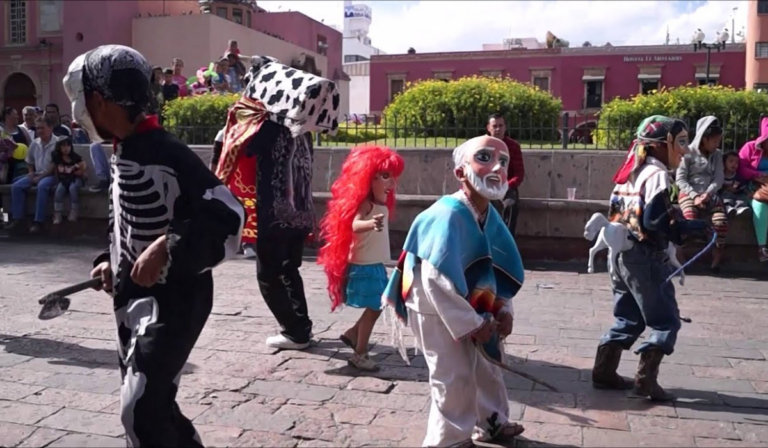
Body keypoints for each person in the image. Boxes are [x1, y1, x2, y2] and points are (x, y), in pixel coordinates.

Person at [64, 44, 244, 446]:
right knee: (151, 403)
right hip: (130, 299)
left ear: (97, 99)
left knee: (139, 408)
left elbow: (229, 215)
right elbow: (122, 216)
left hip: (177, 301)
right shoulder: (124, 149)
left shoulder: (168, 151)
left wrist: (168, 245)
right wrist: (109, 260)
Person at [382, 135, 526, 447]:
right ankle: (448, 440)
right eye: (485, 158)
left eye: (503, 162)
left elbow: (496, 271)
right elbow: (436, 279)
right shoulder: (447, 215)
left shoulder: (490, 215)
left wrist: (502, 310)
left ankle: (492, 422)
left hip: (470, 304)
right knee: (453, 375)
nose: (496, 168)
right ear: (461, 172)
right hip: (433, 306)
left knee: (489, 364)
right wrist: (472, 324)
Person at [216, 55, 341, 351]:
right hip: (299, 214)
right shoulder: (299, 129)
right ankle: (300, 326)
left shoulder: (263, 128)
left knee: (270, 274)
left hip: (271, 215)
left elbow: (231, 149)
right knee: (289, 270)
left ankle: (295, 331)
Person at [592, 116, 710, 402]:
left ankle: (604, 372)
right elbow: (654, 220)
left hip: (620, 256)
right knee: (665, 320)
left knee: (628, 317)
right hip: (645, 256)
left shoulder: (631, 172)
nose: (683, 150)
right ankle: (645, 381)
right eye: (680, 142)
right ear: (661, 145)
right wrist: (687, 227)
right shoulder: (656, 174)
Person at [318, 145, 404, 372]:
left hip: (374, 264)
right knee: (376, 307)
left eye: (392, 178)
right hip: (364, 266)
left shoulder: (380, 205)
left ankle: (353, 334)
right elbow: (354, 224)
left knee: (379, 305)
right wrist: (370, 223)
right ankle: (360, 353)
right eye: (385, 177)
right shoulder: (366, 204)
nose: (391, 184)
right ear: (368, 177)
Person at [675, 116, 727, 272]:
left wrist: (708, 193)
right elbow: (680, 179)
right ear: (704, 138)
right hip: (689, 193)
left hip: (710, 194)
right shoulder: (688, 153)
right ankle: (682, 259)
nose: (717, 144)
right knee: (690, 222)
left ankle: (716, 261)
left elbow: (719, 178)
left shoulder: (717, 155)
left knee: (721, 223)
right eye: (714, 141)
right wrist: (694, 196)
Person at [6, 116, 58, 234]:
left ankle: (38, 221)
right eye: (37, 128)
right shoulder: (35, 143)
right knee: (17, 186)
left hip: (52, 175)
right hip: (37, 173)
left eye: (42, 128)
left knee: (42, 186)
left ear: (50, 128)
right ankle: (18, 219)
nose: (39, 131)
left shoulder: (58, 143)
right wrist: (30, 172)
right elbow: (29, 161)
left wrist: (40, 177)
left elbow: (54, 165)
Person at [487, 113, 525, 237]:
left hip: (507, 186)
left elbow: (519, 174)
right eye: (494, 126)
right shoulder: (482, 145)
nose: (498, 129)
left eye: (501, 125)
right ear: (488, 128)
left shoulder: (513, 146)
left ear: (505, 128)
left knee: (510, 205)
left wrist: (505, 186)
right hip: (486, 185)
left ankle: (506, 242)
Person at [737, 116, 768, 262]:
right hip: (752, 186)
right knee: (760, 205)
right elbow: (740, 167)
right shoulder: (750, 147)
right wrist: (757, 175)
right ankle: (762, 247)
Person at [51, 136, 86, 224]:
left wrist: (80, 171)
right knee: (58, 191)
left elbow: (84, 167)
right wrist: (57, 181)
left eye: (68, 145)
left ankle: (74, 211)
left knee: (72, 188)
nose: (66, 148)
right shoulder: (57, 158)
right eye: (63, 146)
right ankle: (57, 213)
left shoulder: (75, 158)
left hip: (75, 179)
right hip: (64, 179)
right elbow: (56, 170)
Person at [720, 151, 750, 217]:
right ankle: (728, 208)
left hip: (737, 194)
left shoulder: (738, 177)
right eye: (731, 161)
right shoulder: (720, 176)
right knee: (725, 196)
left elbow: (743, 186)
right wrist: (725, 188)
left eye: (737, 162)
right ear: (724, 163)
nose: (734, 164)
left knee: (742, 197)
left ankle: (741, 208)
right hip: (725, 195)